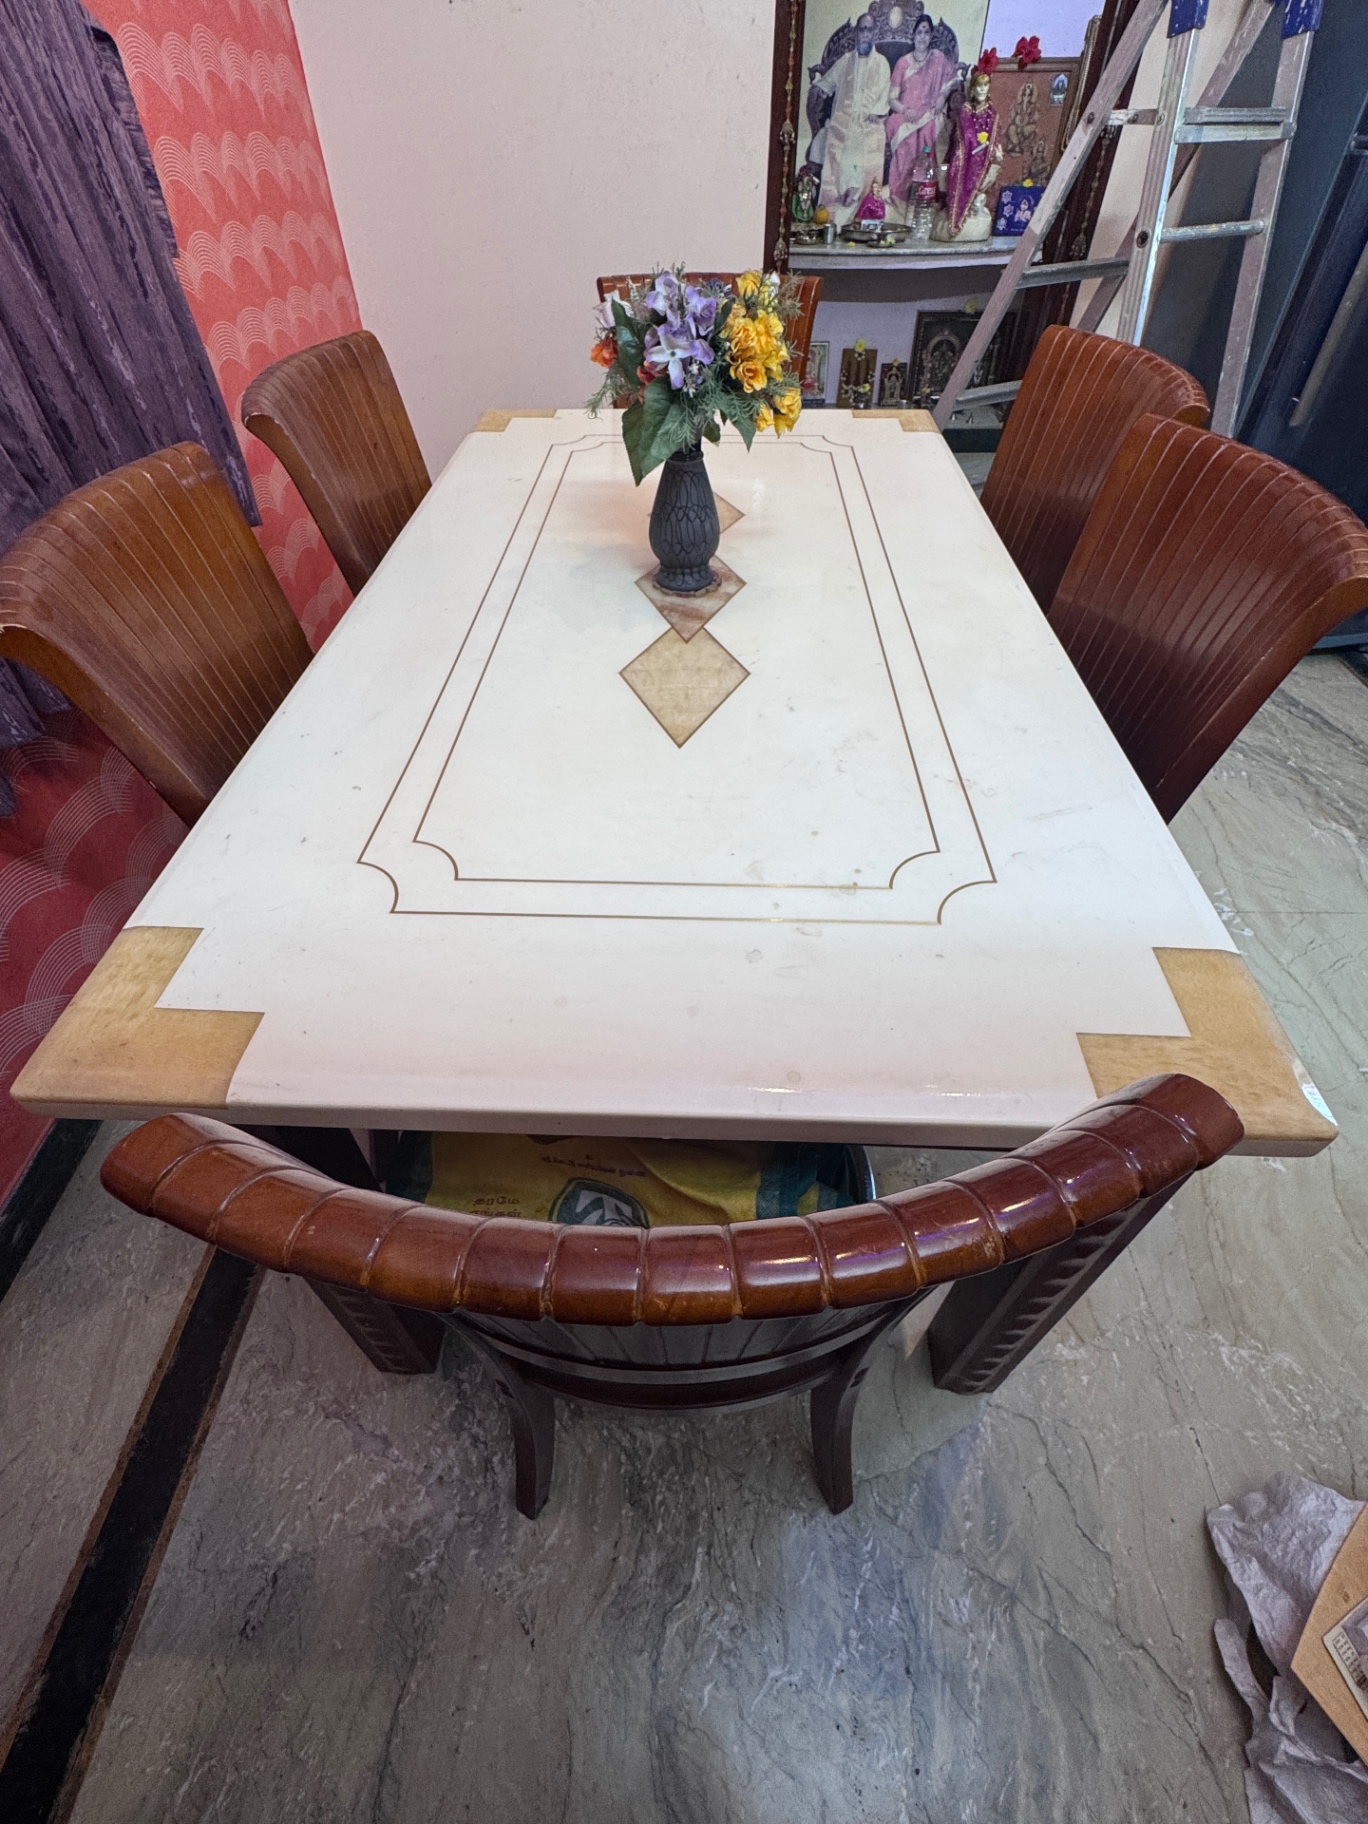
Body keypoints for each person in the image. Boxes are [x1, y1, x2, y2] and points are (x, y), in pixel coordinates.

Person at [812, 15, 891, 227]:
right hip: (844, 123)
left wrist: (875, 113)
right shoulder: (845, 60)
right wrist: (817, 88)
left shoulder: (882, 63)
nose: (865, 34)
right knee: (839, 154)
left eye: (869, 29)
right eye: (862, 29)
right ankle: (834, 220)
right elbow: (826, 82)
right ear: (856, 32)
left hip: (869, 123)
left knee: (866, 156)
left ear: (874, 33)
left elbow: (884, 96)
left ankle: (861, 219)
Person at [886, 15, 957, 211]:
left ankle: (925, 199)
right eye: (919, 32)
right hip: (905, 113)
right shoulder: (903, 63)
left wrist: (942, 96)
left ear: (931, 35)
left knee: (929, 132)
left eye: (926, 32)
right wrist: (905, 110)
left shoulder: (937, 59)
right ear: (913, 35)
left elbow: (952, 81)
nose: (923, 37)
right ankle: (899, 198)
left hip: (928, 113)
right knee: (905, 136)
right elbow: (892, 99)